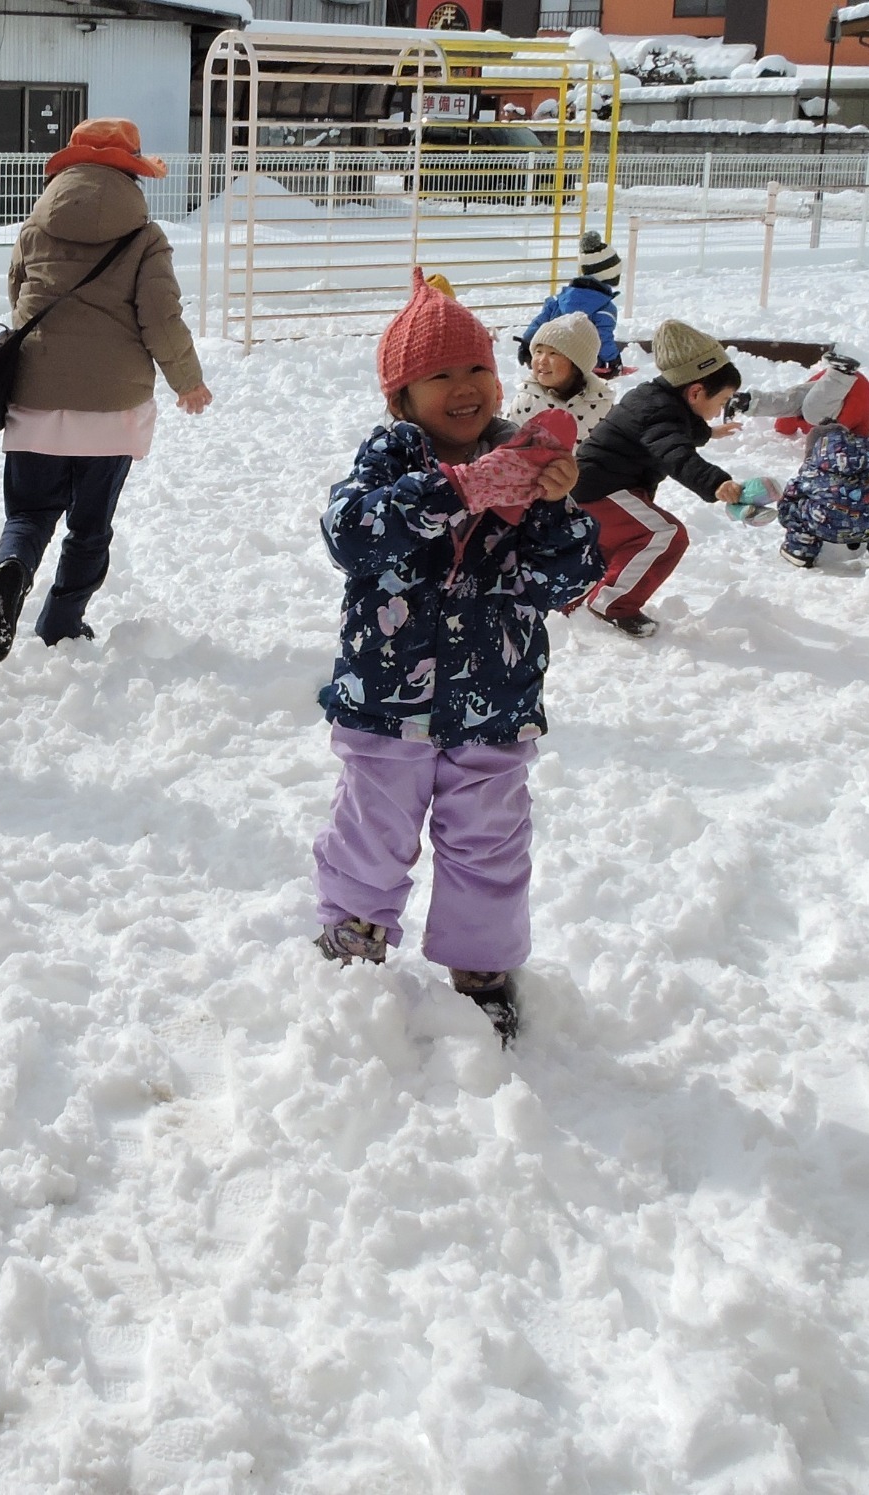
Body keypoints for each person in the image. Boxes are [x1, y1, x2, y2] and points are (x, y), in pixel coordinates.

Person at [313, 269, 601, 1045]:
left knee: (490, 843)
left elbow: (565, 581)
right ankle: (355, 930)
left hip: (496, 704)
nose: (465, 387)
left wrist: (555, 509)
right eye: (439, 375)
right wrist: (460, 487)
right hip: (386, 703)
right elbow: (351, 534)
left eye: (476, 367)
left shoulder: (526, 456)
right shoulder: (388, 461)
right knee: (371, 830)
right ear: (400, 396)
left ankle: (481, 963)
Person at [0, 117, 212, 662]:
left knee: (29, 514)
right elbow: (161, 318)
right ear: (133, 173)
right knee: (89, 527)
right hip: (111, 413)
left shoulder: (37, 227)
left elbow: (18, 295)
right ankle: (61, 620)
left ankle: (12, 568)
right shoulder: (145, 237)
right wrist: (188, 380)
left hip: (34, 400)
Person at [571, 319, 745, 639]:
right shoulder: (658, 411)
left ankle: (581, 592)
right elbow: (674, 451)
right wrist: (714, 482)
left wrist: (709, 432)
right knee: (664, 535)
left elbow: (679, 430)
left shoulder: (660, 399)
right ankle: (611, 603)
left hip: (599, 487)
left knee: (631, 540)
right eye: (721, 402)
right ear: (696, 391)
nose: (720, 409)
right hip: (601, 489)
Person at [775, 422, 869, 570]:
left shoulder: (812, 470)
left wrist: (787, 517)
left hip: (823, 525)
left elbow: (791, 495)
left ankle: (800, 550)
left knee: (796, 506)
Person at [516, 230, 623, 378]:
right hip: (582, 366)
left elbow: (540, 321)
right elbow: (602, 338)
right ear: (610, 274)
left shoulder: (559, 299)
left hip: (552, 363)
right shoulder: (605, 307)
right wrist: (613, 360)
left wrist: (526, 343)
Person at [506, 310, 615, 442]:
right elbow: (506, 449)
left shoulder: (601, 403)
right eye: (538, 351)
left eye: (553, 353)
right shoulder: (526, 401)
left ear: (577, 365)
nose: (542, 360)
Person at [728, 351, 869, 441]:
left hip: (844, 383)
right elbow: (864, 431)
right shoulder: (824, 419)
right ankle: (745, 402)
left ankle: (749, 402)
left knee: (794, 402)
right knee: (798, 404)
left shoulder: (856, 412)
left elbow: (865, 428)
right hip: (843, 383)